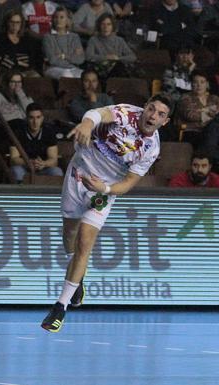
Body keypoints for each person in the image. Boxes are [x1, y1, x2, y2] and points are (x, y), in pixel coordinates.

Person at [41, 94, 172, 333]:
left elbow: (129, 183)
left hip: (103, 189)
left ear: (165, 121)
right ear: (144, 108)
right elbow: (98, 113)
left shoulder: (151, 149)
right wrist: (87, 124)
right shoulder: (126, 112)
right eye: (151, 109)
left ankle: (60, 308)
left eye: (160, 114)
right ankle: (77, 278)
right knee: (69, 233)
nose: (153, 115)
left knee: (84, 243)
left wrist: (106, 189)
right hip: (78, 173)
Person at [10, 102, 64, 183]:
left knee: (57, 172)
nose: (35, 122)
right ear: (26, 118)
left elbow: (54, 160)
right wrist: (29, 162)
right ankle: (21, 194)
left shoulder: (49, 132)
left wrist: (43, 163)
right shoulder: (18, 132)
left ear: (42, 118)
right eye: (31, 118)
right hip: (24, 167)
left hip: (43, 167)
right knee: (16, 170)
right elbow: (14, 159)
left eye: (38, 117)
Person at [0, 70, 34, 154]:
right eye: (13, 82)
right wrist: (11, 119)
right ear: (6, 83)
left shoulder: (24, 97)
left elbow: (32, 112)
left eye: (19, 82)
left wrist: (21, 95)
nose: (16, 85)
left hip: (20, 127)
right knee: (18, 122)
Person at [85, 14, 137, 79]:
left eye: (109, 24)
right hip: (100, 71)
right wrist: (106, 57)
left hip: (117, 70)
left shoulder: (119, 40)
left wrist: (117, 58)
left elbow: (132, 57)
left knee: (119, 66)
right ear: (99, 26)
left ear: (112, 26)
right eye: (103, 24)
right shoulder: (93, 40)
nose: (105, 27)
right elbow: (88, 56)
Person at [0, 9, 43, 77]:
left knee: (36, 76)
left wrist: (16, 59)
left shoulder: (27, 39)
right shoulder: (0, 38)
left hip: (26, 71)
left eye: (17, 22)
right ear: (7, 22)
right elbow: (1, 60)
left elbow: (31, 59)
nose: (14, 25)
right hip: (7, 71)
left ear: (21, 24)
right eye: (12, 22)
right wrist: (20, 60)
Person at [176, 70, 219, 146]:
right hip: (193, 132)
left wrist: (202, 111)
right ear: (191, 84)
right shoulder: (185, 98)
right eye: (195, 82)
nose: (199, 85)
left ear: (207, 84)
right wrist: (211, 112)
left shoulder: (214, 99)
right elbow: (191, 115)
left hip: (213, 133)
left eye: (202, 82)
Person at [42, 6, 85, 79]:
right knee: (67, 75)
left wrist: (63, 56)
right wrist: (71, 57)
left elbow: (80, 59)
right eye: (56, 17)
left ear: (67, 20)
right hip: (53, 68)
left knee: (85, 75)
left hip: (73, 68)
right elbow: (52, 60)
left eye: (61, 17)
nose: (58, 20)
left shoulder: (74, 37)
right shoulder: (48, 37)